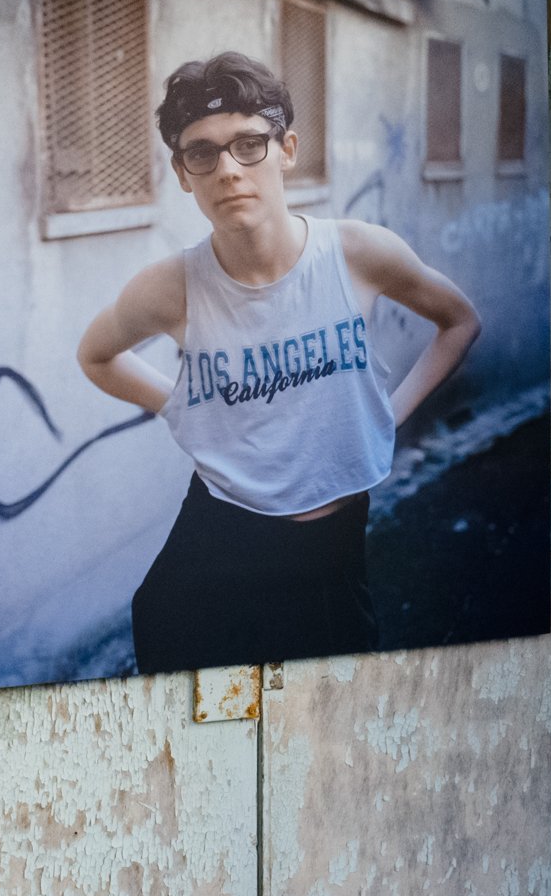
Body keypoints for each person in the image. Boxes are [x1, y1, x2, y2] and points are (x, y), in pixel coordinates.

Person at [77, 51, 482, 674]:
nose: (228, 169)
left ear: (287, 148)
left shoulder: (356, 254)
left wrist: (387, 416)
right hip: (217, 541)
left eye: (249, 144)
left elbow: (459, 322)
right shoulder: (170, 287)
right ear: (184, 174)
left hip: (331, 552)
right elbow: (97, 355)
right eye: (202, 153)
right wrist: (177, 407)